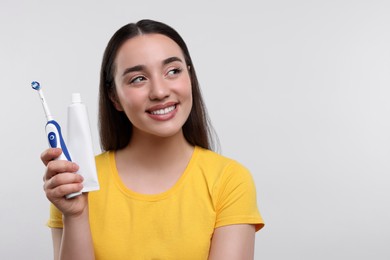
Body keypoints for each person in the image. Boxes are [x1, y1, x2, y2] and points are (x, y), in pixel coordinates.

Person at [41, 19, 264, 260]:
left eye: (173, 71)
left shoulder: (230, 181)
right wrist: (75, 216)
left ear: (190, 77)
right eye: (138, 78)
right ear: (114, 97)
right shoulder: (76, 183)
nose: (159, 91)